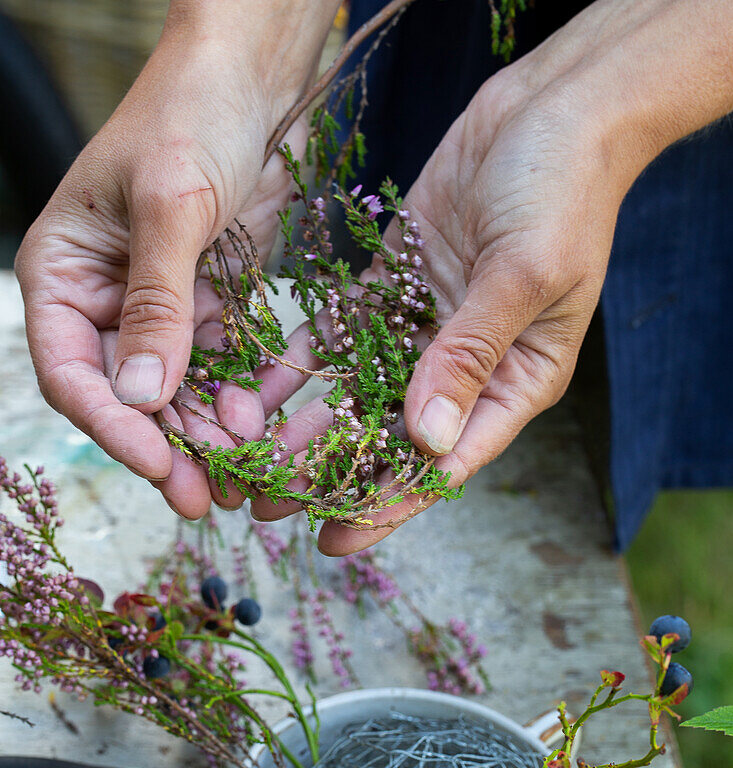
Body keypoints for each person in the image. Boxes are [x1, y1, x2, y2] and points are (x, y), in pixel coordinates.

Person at [14, 0, 733, 556]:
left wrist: (595, 115)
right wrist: (235, 58)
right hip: (443, 45)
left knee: (585, 370)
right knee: (424, 241)